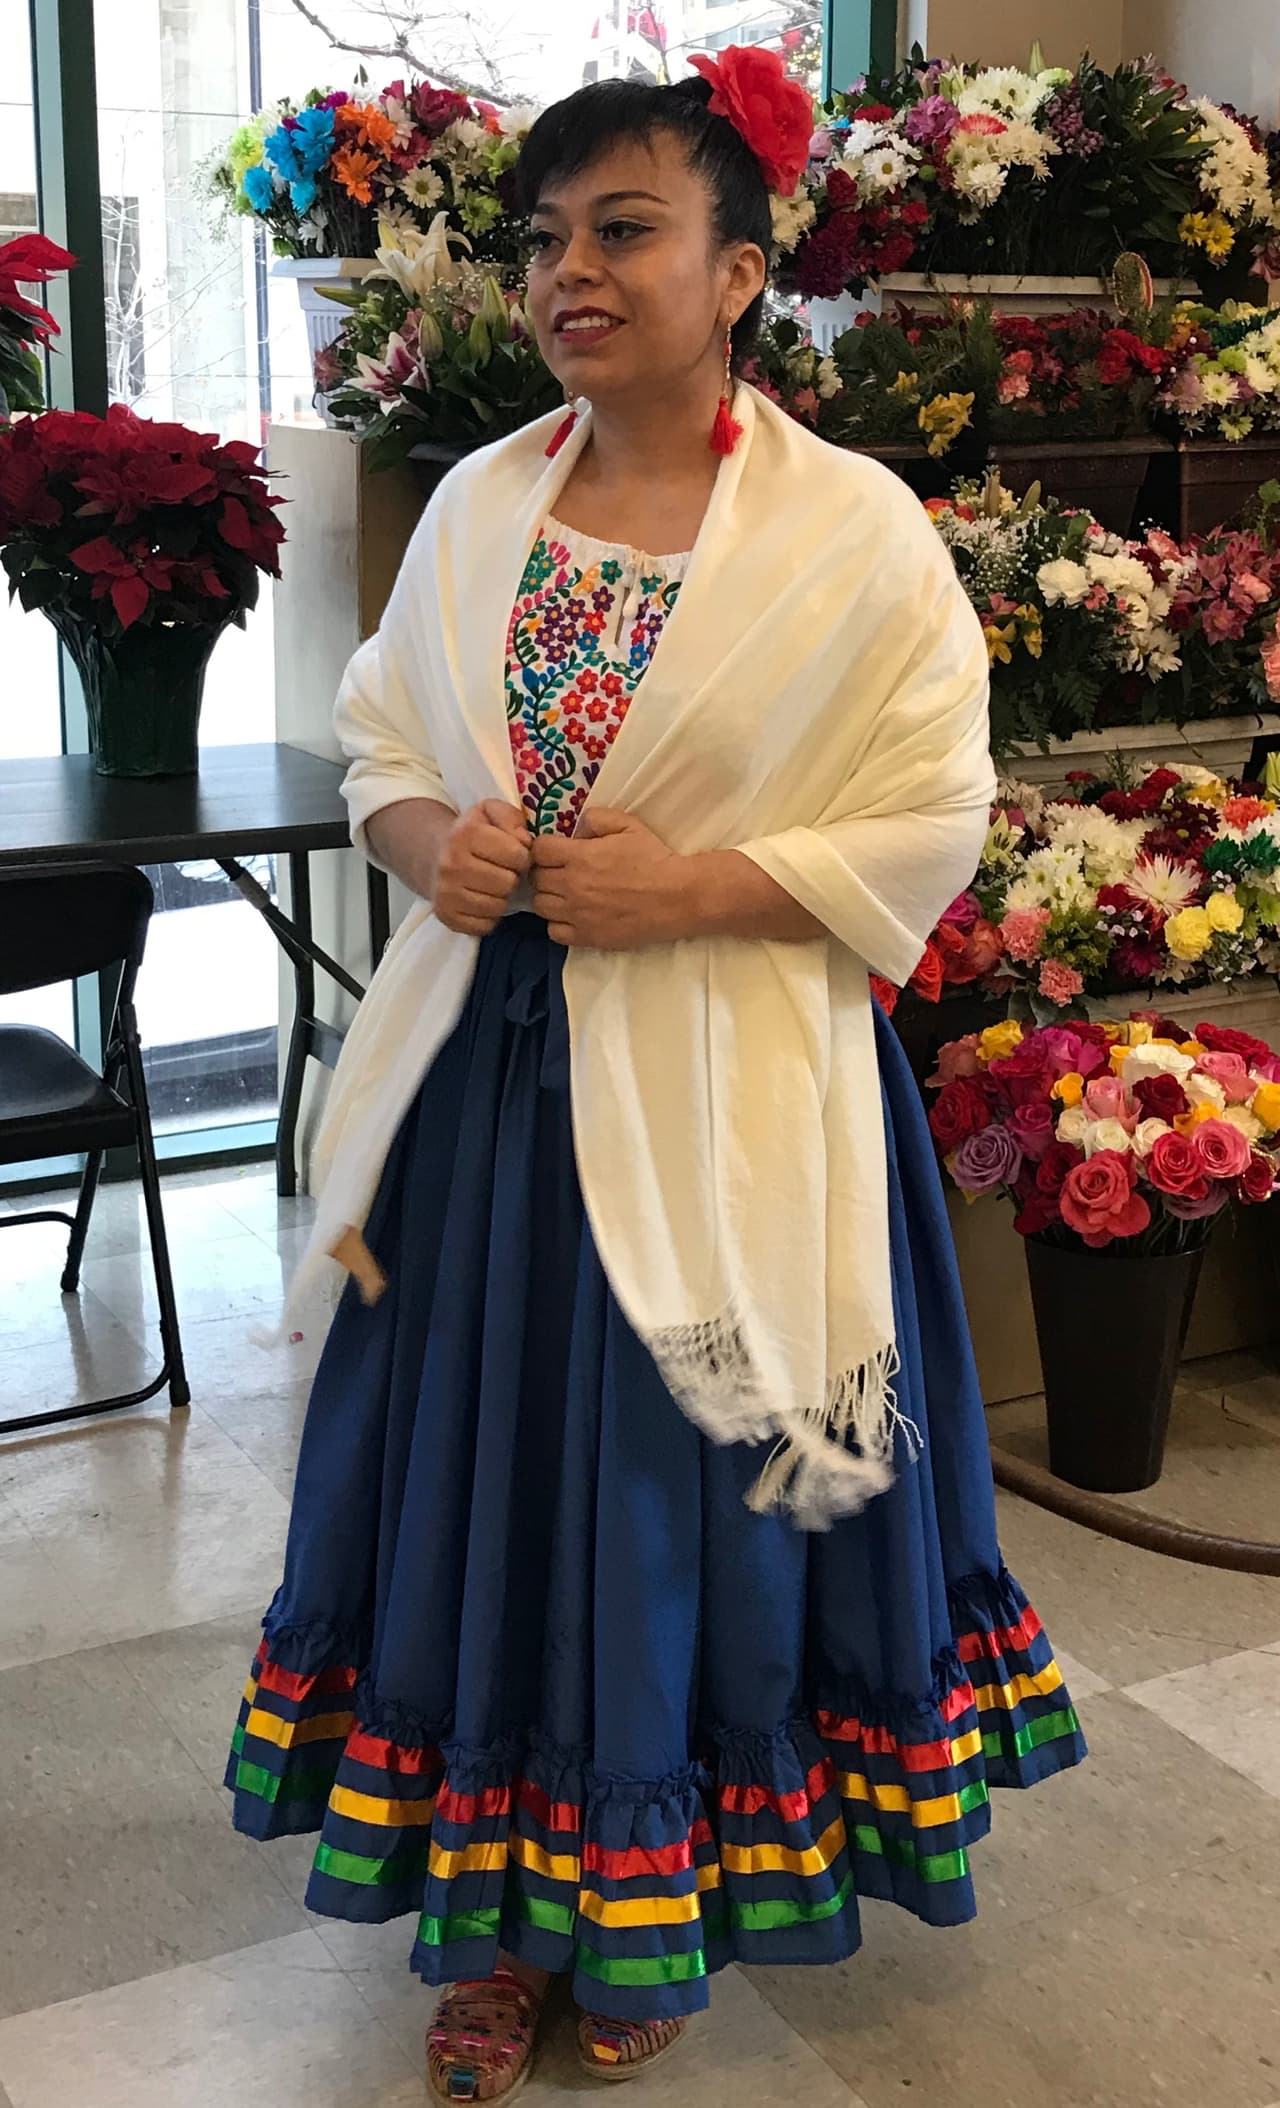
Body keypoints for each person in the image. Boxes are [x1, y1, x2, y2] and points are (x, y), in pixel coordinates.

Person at [227, 48, 1087, 2103]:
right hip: (493, 1103)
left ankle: (655, 1894)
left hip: (733, 1083)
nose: (570, 272)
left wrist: (690, 888)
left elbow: (928, 808)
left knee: (671, 1503)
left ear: (739, 272)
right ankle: (504, 1906)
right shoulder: (477, 504)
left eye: (624, 229)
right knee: (488, 1492)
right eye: (543, 238)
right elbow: (383, 742)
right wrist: (434, 843)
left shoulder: (850, 533)